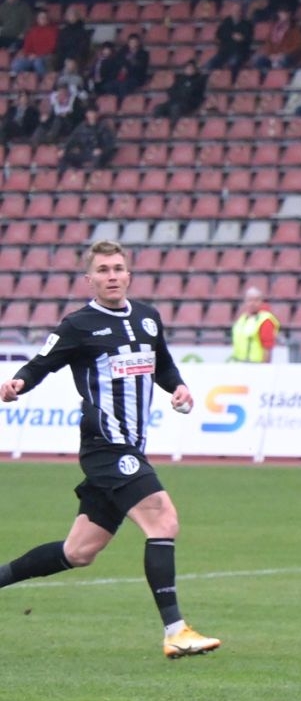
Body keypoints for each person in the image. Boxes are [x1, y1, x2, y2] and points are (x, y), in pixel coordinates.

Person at [0, 241, 221, 659]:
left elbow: (162, 364)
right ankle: (175, 631)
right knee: (163, 519)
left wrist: (178, 387)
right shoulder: (78, 325)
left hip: (131, 447)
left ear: (129, 274)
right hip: (106, 445)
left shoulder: (147, 318)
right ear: (90, 279)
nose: (112, 276)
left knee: (78, 552)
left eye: (118, 268)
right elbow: (41, 363)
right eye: (103, 270)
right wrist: (17, 384)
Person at [229, 286, 281, 362]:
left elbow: (267, 348)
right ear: (245, 301)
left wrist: (264, 367)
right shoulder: (242, 319)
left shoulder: (265, 321)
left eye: (256, 300)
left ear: (261, 302)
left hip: (255, 365)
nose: (252, 303)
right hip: (238, 364)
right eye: (250, 300)